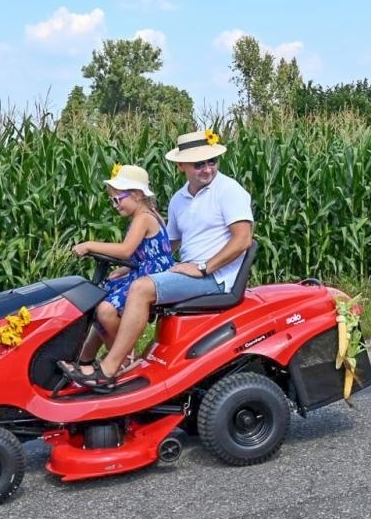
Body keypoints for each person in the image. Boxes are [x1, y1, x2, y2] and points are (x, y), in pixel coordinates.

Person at [63, 128, 254, 388]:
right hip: (187, 271)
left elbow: (242, 240)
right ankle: (86, 360)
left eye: (212, 161)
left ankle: (111, 368)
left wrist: (204, 267)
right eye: (199, 164)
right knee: (108, 294)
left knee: (141, 289)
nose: (208, 169)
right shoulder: (179, 199)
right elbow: (169, 243)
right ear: (181, 166)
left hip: (217, 278)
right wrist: (132, 268)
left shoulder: (229, 191)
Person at [68, 164, 175, 365]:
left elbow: (126, 250)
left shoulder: (143, 218)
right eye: (112, 200)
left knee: (106, 310)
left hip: (153, 277)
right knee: (100, 295)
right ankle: (86, 358)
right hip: (145, 270)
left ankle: (123, 357)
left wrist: (90, 245)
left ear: (136, 194)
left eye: (117, 199)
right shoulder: (148, 214)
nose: (115, 205)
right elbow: (147, 252)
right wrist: (125, 269)